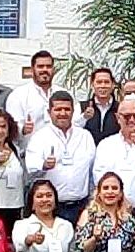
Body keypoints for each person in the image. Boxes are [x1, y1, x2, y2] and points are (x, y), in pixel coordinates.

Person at [23, 91, 96, 226]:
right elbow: (30, 169)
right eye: (58, 109)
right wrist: (44, 165)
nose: (63, 113)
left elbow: (93, 172)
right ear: (49, 112)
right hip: (51, 209)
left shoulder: (85, 136)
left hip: (82, 206)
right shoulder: (39, 137)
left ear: (73, 111)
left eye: (67, 109)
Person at [6, 51, 68, 153]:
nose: (45, 70)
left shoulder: (64, 93)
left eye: (48, 66)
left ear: (53, 70)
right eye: (40, 66)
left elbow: (73, 123)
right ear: (32, 69)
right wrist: (23, 130)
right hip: (30, 153)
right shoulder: (18, 95)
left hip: (60, 153)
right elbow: (10, 130)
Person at [78, 67, 120, 143]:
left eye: (106, 82)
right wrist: (84, 118)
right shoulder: (81, 107)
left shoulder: (120, 109)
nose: (103, 86)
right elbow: (72, 129)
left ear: (113, 85)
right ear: (92, 85)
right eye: (99, 82)